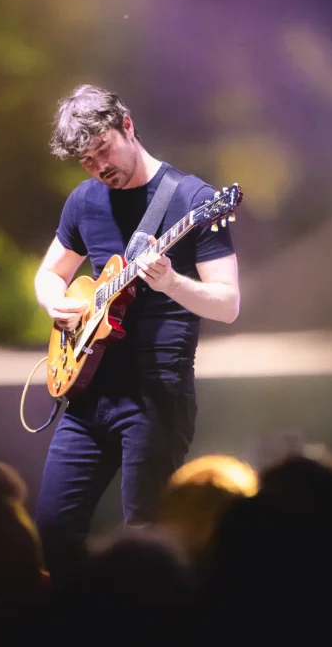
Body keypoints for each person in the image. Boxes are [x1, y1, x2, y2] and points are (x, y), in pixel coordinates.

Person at [34, 84, 240, 562]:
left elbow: (228, 304)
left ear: (127, 125)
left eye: (103, 150)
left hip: (155, 395)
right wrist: (55, 302)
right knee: (52, 527)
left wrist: (172, 283)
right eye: (86, 161)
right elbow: (50, 274)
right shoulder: (85, 200)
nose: (99, 167)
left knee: (145, 535)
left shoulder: (195, 198)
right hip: (89, 393)